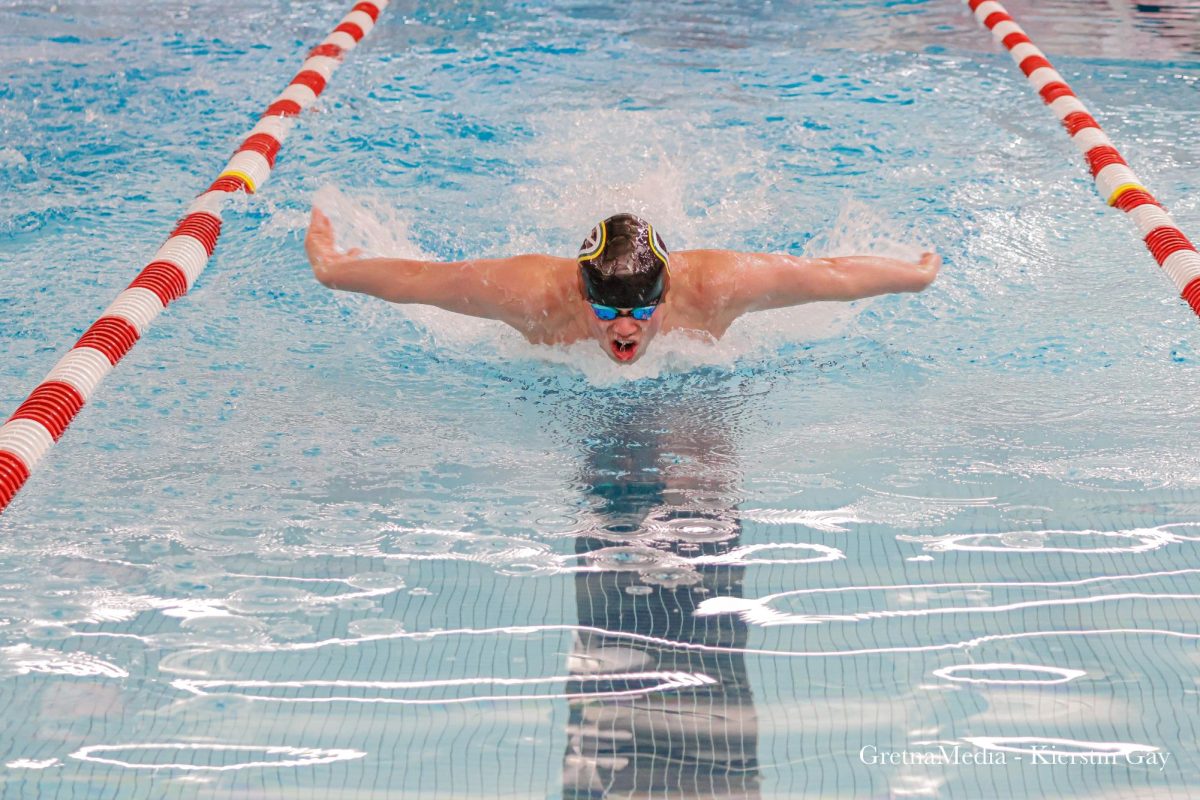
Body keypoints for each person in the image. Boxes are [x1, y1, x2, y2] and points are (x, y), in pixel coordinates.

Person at [305, 208, 940, 364]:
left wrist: (911, 278)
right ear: (581, 294)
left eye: (640, 309)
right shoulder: (531, 295)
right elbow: (421, 281)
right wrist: (336, 269)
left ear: (668, 293)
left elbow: (826, 278)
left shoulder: (714, 287)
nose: (624, 327)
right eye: (607, 308)